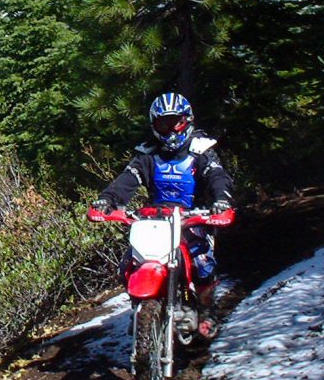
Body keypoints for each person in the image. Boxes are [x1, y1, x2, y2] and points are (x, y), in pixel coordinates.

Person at [91, 92, 234, 339]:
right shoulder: (147, 155)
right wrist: (107, 199)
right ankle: (142, 310)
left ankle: (207, 308)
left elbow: (217, 176)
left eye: (175, 122)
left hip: (193, 218)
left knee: (202, 264)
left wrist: (222, 200)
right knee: (128, 263)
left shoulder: (201, 150)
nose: (170, 130)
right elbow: (126, 180)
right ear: (154, 125)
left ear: (187, 120)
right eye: (163, 124)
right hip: (156, 220)